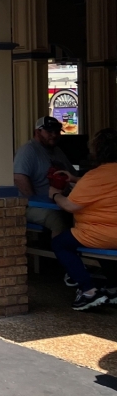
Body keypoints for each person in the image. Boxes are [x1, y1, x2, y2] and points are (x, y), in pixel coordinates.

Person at [49, 128, 117, 310]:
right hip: (112, 235)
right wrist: (75, 178)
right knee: (103, 247)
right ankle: (113, 287)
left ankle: (88, 291)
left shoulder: (94, 176)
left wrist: (55, 195)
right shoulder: (94, 177)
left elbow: (71, 206)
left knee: (60, 244)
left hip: (98, 233)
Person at [14, 115, 78, 237]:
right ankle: (58, 254)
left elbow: (73, 175)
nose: (54, 135)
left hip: (59, 202)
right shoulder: (27, 150)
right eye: (49, 131)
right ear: (38, 131)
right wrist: (34, 200)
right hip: (32, 206)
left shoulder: (57, 151)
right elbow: (19, 177)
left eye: (57, 131)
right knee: (58, 220)